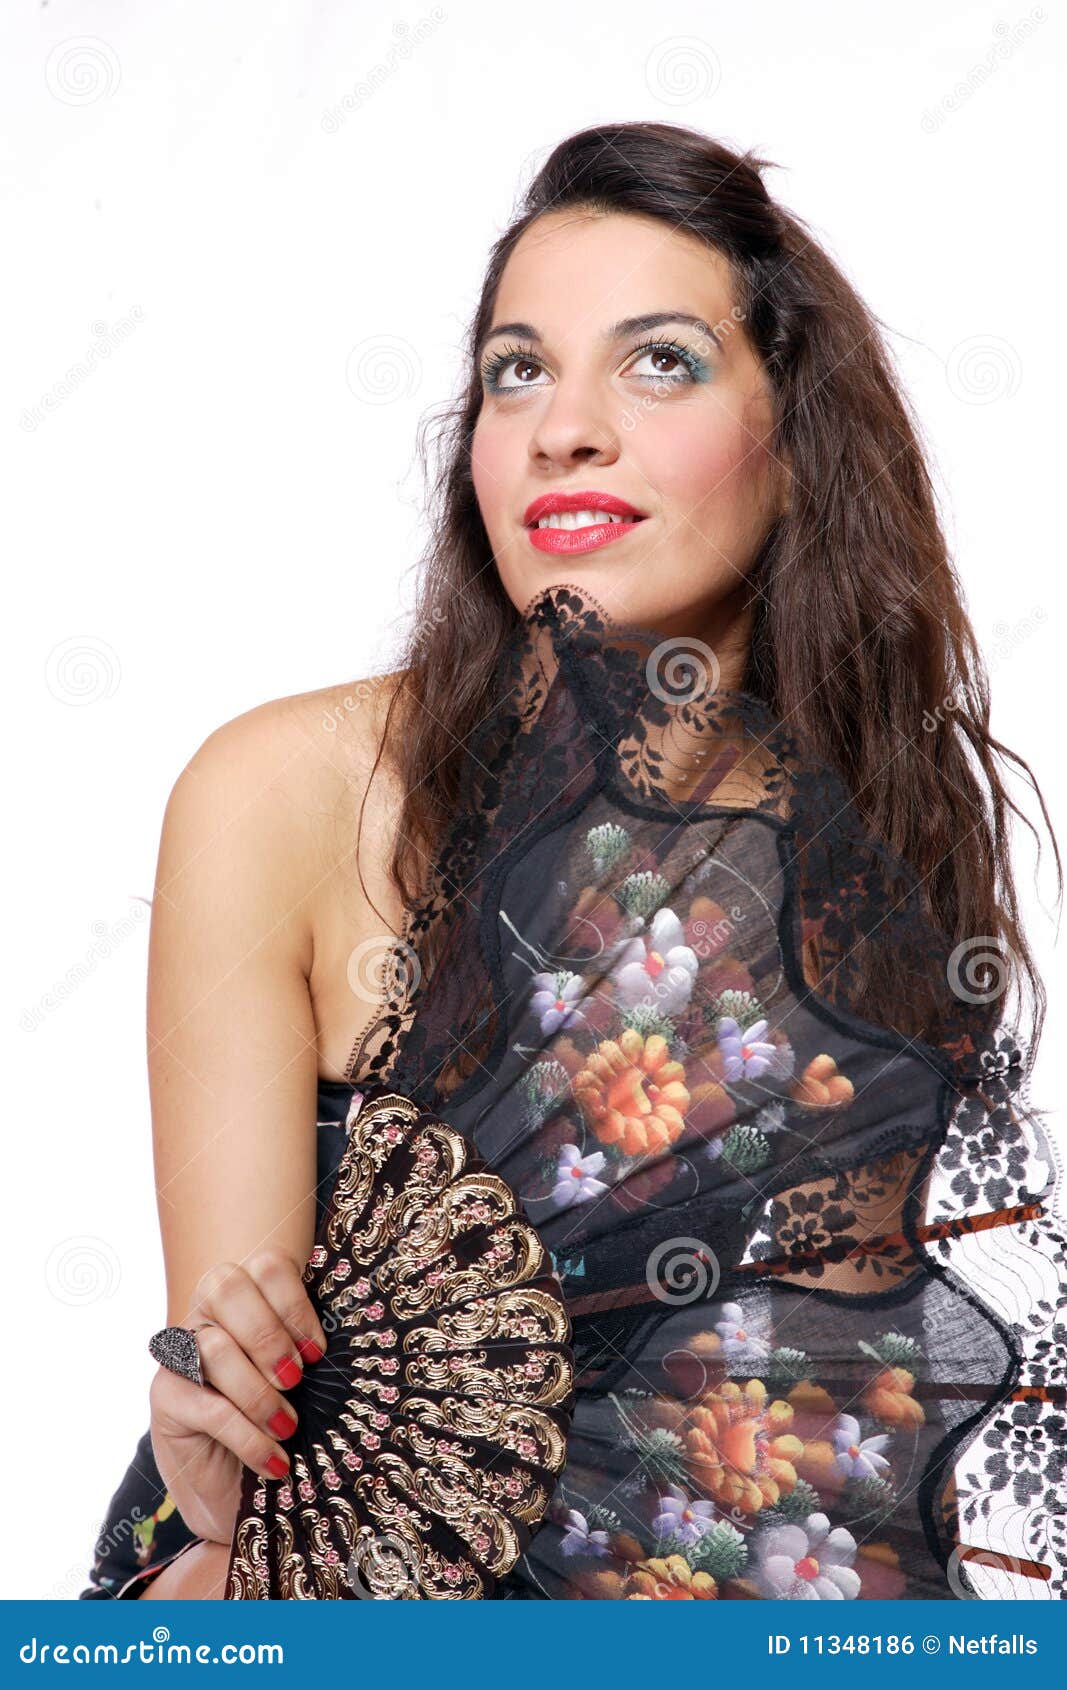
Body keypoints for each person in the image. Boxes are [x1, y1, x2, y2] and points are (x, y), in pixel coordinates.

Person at [81, 120, 1066, 1602]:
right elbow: (230, 1434)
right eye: (515, 368)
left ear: (795, 447)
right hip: (297, 1588)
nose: (563, 427)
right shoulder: (292, 798)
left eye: (658, 359)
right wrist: (217, 1486)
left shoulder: (864, 883)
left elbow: (835, 1481)